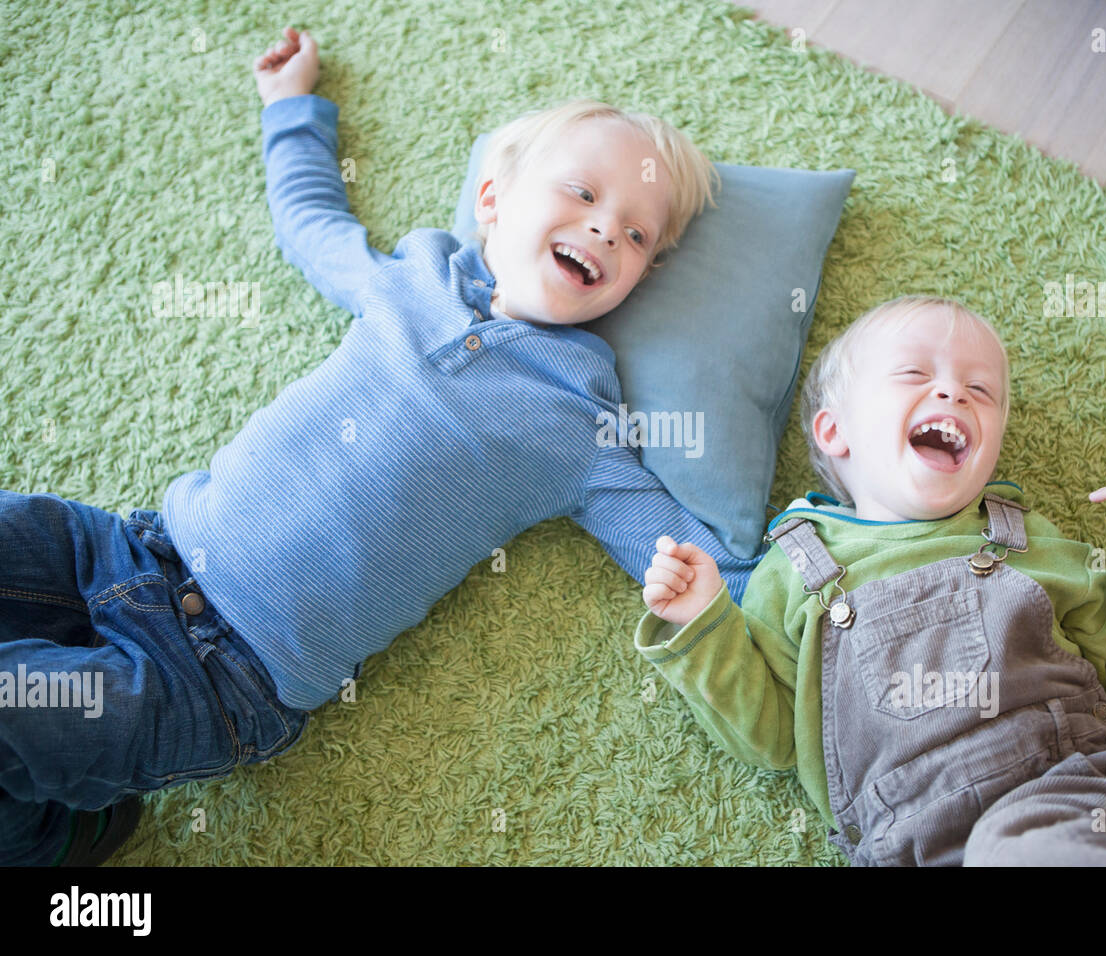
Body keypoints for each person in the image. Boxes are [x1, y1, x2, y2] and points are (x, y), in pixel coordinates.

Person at [0, 26, 759, 866]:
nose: (608, 228)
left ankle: (59, 833)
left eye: (638, 234)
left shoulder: (579, 423)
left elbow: (692, 550)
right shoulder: (411, 277)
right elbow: (312, 223)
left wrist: (813, 565)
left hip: (223, 679)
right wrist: (292, 108)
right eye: (581, 192)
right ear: (493, 200)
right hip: (127, 549)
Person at [637, 295, 1106, 865]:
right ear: (835, 432)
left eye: (982, 391)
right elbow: (778, 736)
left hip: (1061, 792)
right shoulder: (793, 569)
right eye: (915, 374)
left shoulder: (1030, 540)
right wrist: (705, 627)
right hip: (902, 840)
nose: (952, 394)